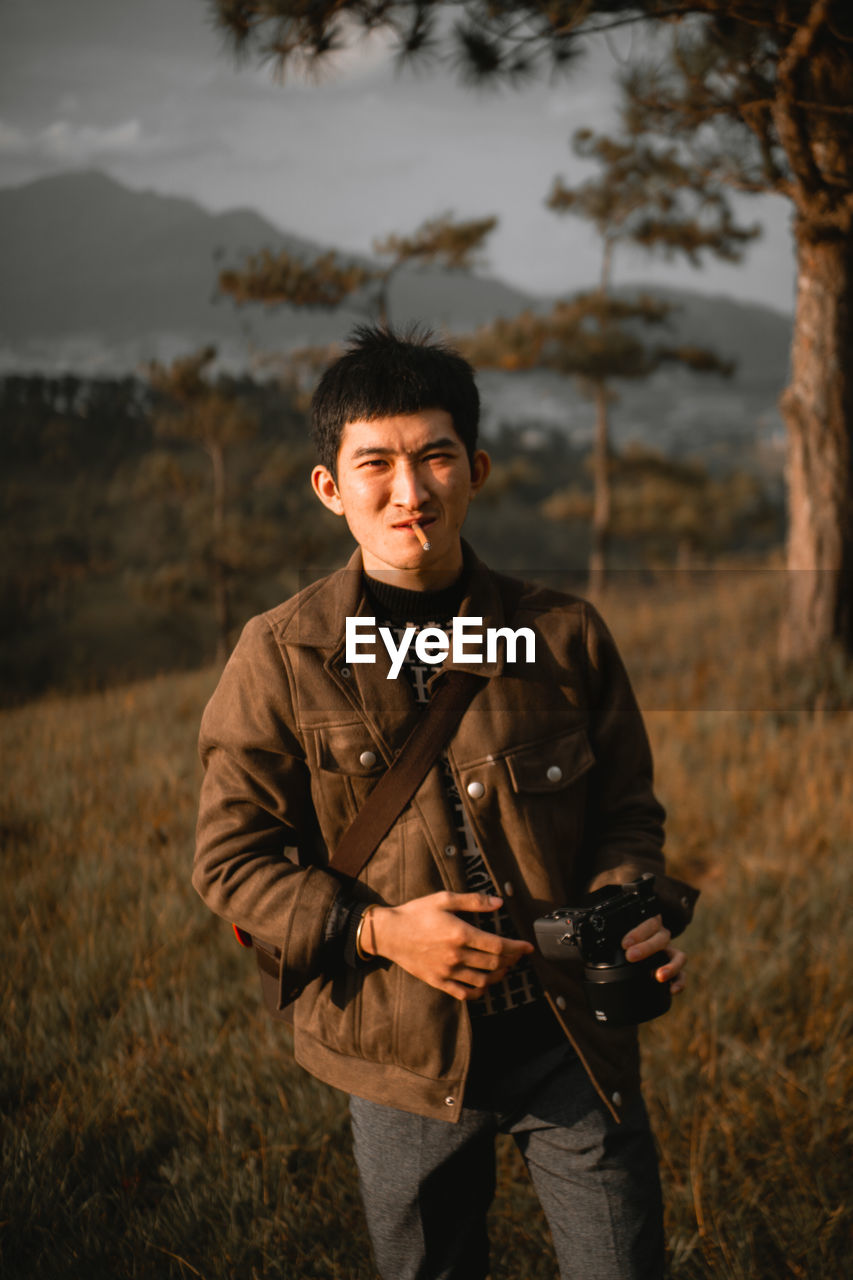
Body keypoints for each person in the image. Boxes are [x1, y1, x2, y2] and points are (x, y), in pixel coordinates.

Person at [193, 325, 699, 1280]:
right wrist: (385, 934)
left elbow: (627, 810)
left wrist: (625, 907)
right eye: (375, 463)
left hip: (570, 1040)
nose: (409, 492)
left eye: (433, 458)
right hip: (397, 1055)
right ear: (329, 488)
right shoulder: (278, 657)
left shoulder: (564, 636)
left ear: (476, 467)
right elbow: (230, 863)